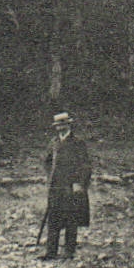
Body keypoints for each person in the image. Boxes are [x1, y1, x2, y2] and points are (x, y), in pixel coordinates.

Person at [40, 110, 91, 260]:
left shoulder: (77, 143)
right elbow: (47, 161)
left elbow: (86, 166)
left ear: (69, 125)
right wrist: (50, 177)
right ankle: (51, 252)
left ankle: (69, 252)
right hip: (56, 187)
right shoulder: (54, 142)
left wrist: (80, 184)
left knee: (71, 219)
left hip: (71, 187)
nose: (60, 127)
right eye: (57, 125)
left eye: (63, 124)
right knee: (53, 219)